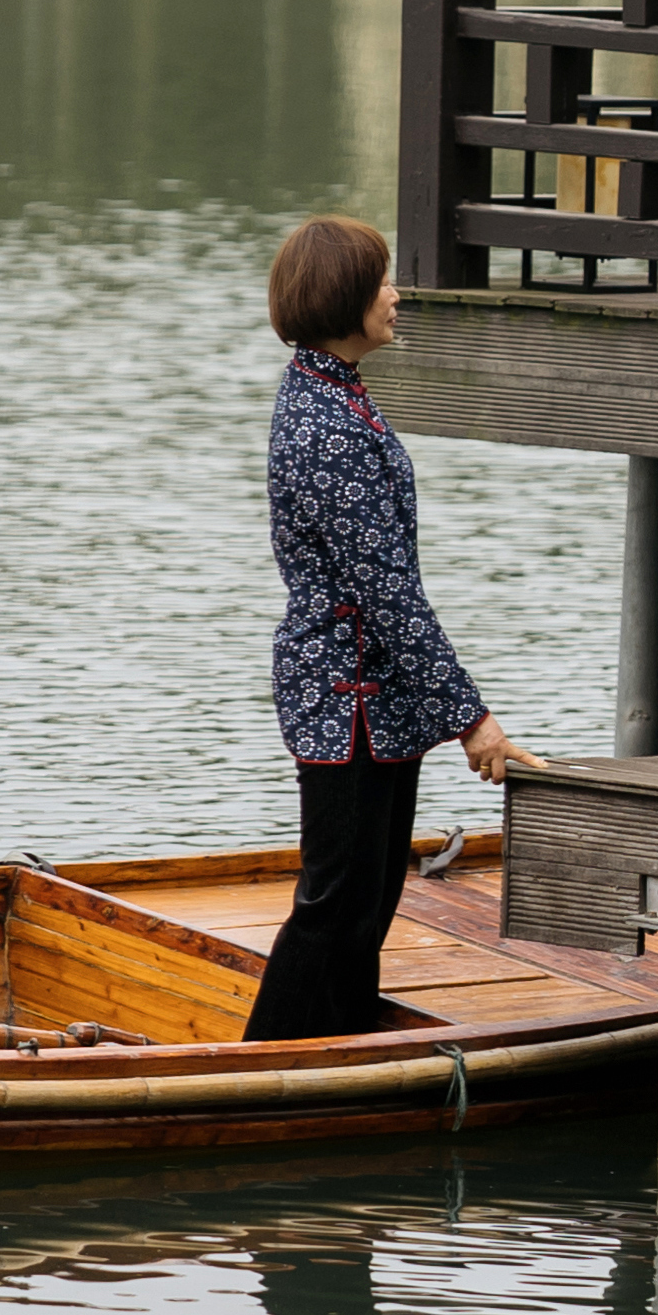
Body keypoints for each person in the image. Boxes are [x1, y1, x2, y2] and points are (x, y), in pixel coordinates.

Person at [247, 214, 539, 1041]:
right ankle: (264, 1066)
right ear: (342, 296)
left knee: (369, 902)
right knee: (334, 903)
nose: (395, 293)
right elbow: (388, 597)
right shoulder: (325, 423)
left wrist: (447, 712)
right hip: (344, 698)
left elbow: (391, 594)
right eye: (380, 280)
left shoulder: (334, 394)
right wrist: (471, 720)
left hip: (380, 698)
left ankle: (337, 1050)